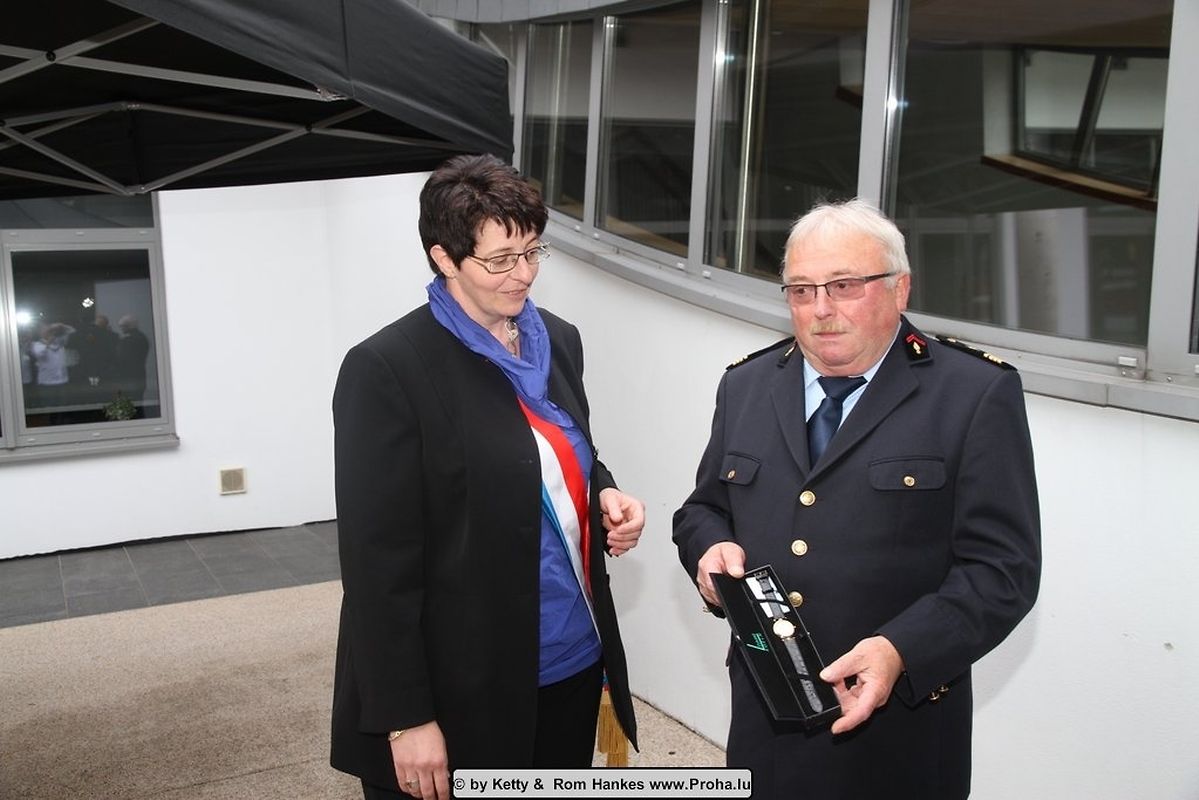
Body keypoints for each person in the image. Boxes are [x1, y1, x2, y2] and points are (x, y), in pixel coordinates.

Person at [673, 199, 1041, 799]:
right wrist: (709, 548)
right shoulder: (746, 384)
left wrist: (900, 651)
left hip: (899, 727)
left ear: (900, 288)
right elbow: (704, 509)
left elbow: (1004, 571)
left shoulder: (973, 393)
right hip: (768, 714)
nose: (821, 310)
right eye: (801, 290)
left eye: (844, 286)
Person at [330, 154, 644, 800]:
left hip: (570, 658)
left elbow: (555, 448)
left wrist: (603, 491)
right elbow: (376, 565)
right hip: (458, 682)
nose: (522, 274)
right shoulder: (388, 369)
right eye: (500, 260)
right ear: (444, 258)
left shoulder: (557, 339)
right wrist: (405, 717)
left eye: (532, 252)